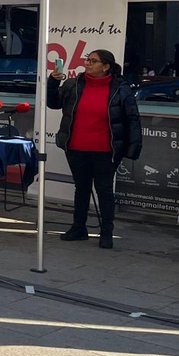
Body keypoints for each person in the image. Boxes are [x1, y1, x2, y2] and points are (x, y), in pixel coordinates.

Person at [48, 49, 142, 249]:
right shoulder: (73, 84)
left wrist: (134, 147)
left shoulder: (120, 89)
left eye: (93, 61)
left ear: (105, 67)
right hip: (76, 147)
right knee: (81, 188)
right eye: (87, 60)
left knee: (104, 190)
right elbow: (53, 103)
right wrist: (53, 82)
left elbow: (132, 118)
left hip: (106, 150)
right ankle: (78, 228)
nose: (87, 63)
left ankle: (106, 232)